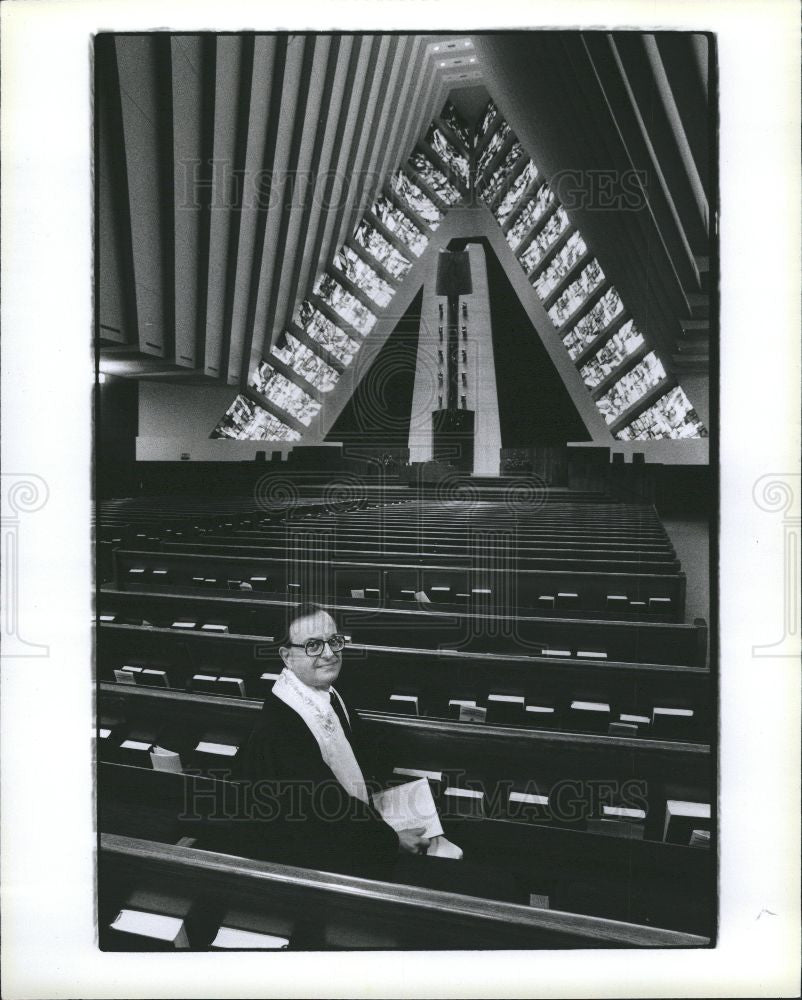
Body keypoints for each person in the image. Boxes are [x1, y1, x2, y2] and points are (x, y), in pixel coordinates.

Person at [238, 603, 430, 878]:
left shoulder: (323, 692)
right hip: (315, 863)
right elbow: (326, 812)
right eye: (313, 646)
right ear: (286, 656)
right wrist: (392, 840)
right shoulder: (281, 729)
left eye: (334, 641)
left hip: (343, 829)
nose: (329, 654)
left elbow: (359, 746)